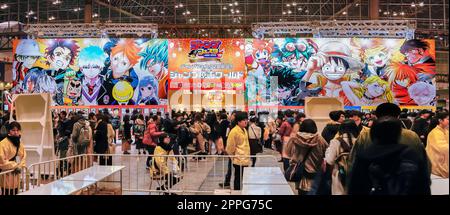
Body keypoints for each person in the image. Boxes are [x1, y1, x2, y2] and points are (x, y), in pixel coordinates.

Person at [348, 103, 431, 193]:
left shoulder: (365, 135)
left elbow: (352, 162)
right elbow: (424, 164)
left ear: (376, 116)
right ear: (398, 116)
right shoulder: (411, 136)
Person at [286, 119, 328, 195]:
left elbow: (288, 153)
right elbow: (327, 152)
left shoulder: (295, 139)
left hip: (300, 172)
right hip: (315, 172)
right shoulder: (320, 139)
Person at [325, 119, 359, 195]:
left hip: (339, 174)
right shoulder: (359, 141)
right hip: (355, 174)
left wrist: (327, 152)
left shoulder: (335, 142)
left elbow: (330, 160)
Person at [225, 111, 250, 190]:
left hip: (245, 158)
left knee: (242, 179)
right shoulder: (234, 131)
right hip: (238, 159)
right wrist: (233, 156)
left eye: (246, 119)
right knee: (238, 179)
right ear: (238, 121)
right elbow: (230, 147)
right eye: (244, 120)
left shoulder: (244, 130)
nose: (246, 121)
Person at [0, 122, 26, 195]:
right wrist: (15, 166)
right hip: (6, 176)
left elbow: (23, 157)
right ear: (9, 131)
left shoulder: (20, 144)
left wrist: (20, 166)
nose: (16, 132)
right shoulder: (3, 144)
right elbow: (2, 161)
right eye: (13, 130)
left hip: (16, 177)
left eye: (17, 130)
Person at [426, 112, 449, 178]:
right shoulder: (435, 133)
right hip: (437, 166)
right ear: (440, 120)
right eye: (448, 119)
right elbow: (442, 147)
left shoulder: (446, 131)